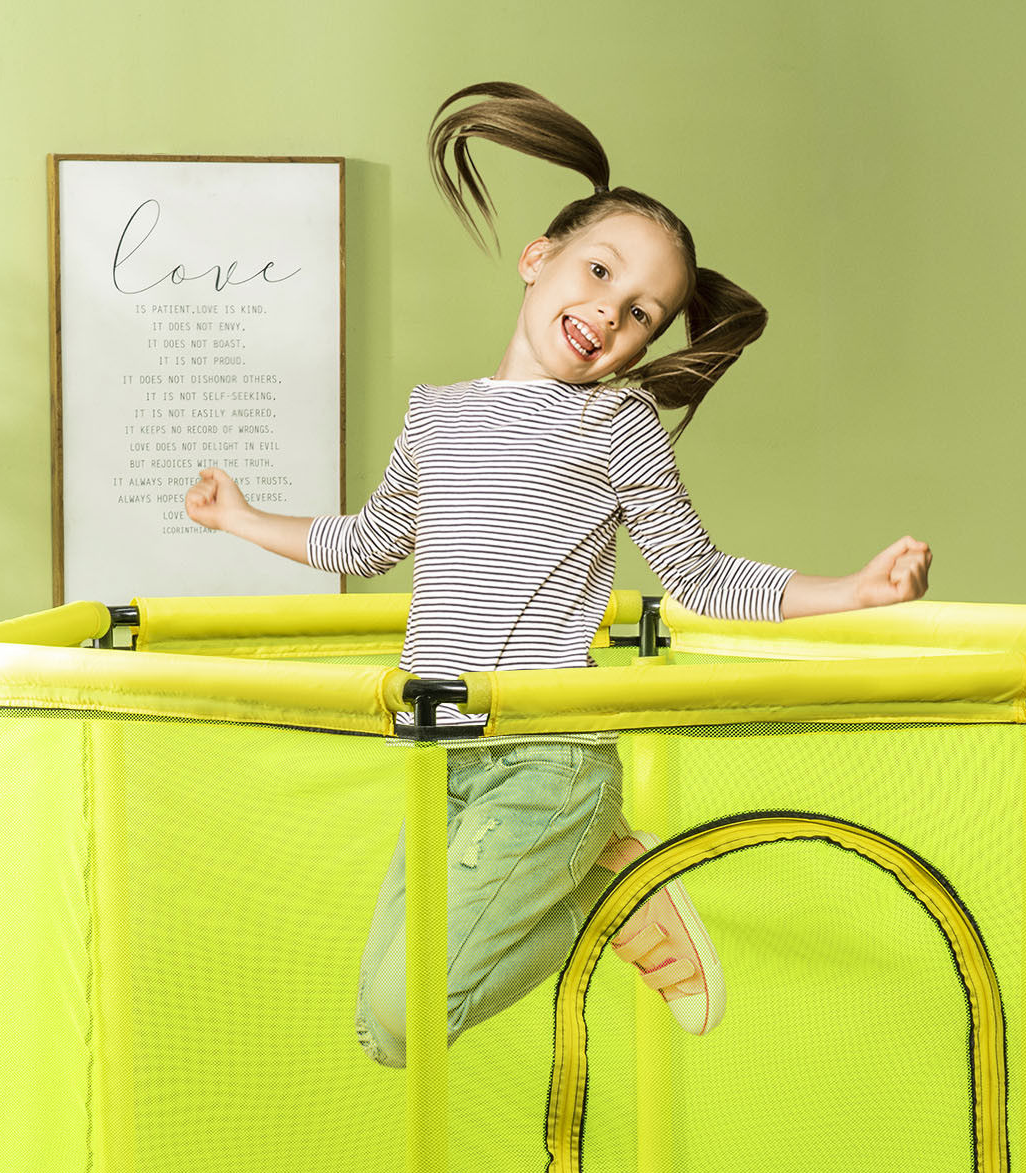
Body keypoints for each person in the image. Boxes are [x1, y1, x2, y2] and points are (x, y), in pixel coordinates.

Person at [186, 81, 931, 1068]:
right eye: (598, 270)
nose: (608, 312)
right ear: (538, 258)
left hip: (546, 760)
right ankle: (608, 877)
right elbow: (369, 542)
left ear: (644, 341)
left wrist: (851, 591)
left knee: (410, 1013)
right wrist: (240, 518)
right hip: (439, 755)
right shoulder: (436, 413)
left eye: (640, 312)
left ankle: (607, 884)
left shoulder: (614, 423)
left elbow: (700, 577)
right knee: (383, 1033)